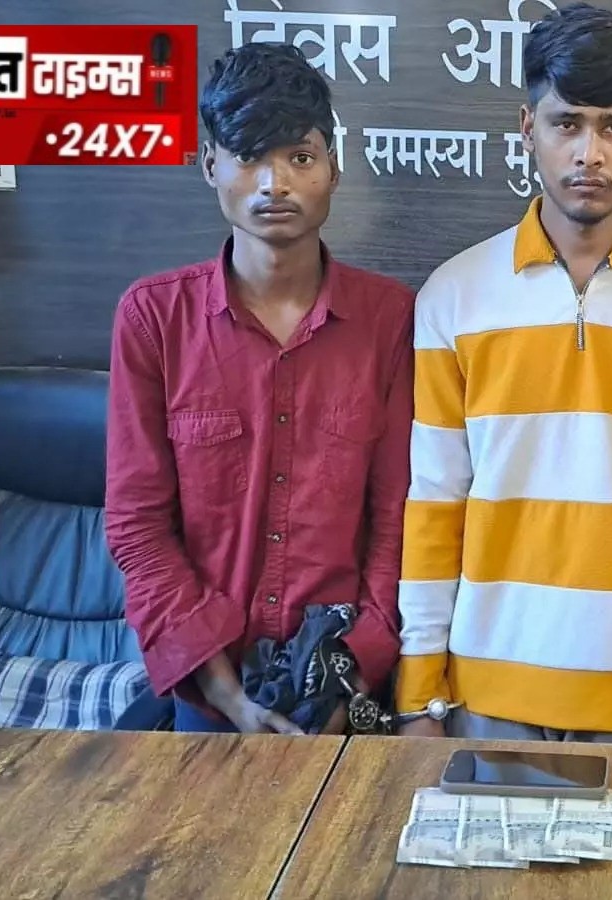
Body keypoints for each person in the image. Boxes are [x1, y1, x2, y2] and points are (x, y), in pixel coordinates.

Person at [394, 2, 612, 746]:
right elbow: (435, 505)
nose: (590, 153)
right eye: (567, 123)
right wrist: (420, 693)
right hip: (486, 692)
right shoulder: (454, 295)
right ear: (528, 129)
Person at [105, 43, 413, 734]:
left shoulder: (390, 319)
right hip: (210, 688)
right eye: (248, 157)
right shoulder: (154, 319)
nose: (275, 183)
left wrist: (352, 677)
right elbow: (137, 523)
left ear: (334, 169)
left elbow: (396, 518)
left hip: (347, 683)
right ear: (209, 164)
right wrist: (227, 695)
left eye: (300, 157)